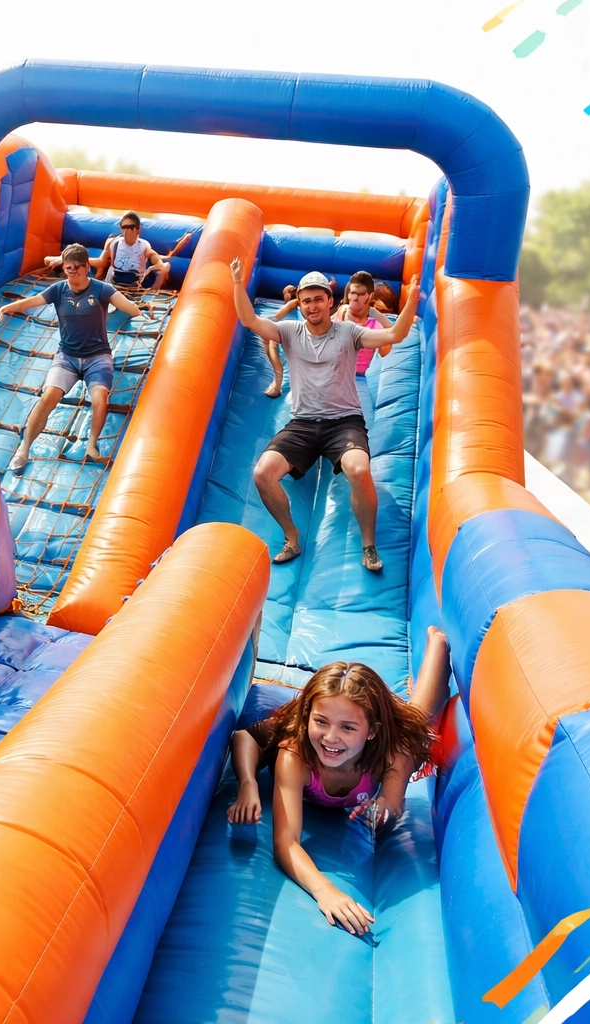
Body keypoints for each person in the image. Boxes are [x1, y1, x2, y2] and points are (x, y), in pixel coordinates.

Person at [225, 626, 448, 935]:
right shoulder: (296, 753)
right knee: (257, 739)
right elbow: (286, 842)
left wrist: (384, 804)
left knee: (419, 723)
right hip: (279, 739)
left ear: (371, 731)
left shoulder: (391, 753)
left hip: (387, 739)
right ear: (309, 717)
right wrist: (325, 890)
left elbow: (393, 805)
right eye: (321, 722)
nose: (331, 738)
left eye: (347, 728)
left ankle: (438, 646)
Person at [231, 259, 419, 571]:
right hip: (303, 423)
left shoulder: (348, 332)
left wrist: (411, 300)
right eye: (307, 301)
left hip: (343, 422)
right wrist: (238, 283)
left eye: (319, 299)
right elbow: (249, 319)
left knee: (359, 471)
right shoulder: (290, 332)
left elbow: (394, 336)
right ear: (300, 305)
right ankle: (292, 536)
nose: (313, 306)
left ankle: (369, 545)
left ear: (331, 301)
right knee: (263, 474)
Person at [0, 243, 146, 471]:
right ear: (64, 268)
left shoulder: (101, 289)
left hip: (97, 357)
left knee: (99, 399)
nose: (73, 272)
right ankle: (24, 448)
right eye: (68, 268)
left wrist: (140, 313)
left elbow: (129, 306)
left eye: (77, 267)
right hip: (67, 357)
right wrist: (6, 308)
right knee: (48, 398)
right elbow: (32, 302)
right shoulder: (58, 290)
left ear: (87, 266)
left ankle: (92, 445)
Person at [45, 212, 189, 290]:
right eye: (124, 229)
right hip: (113, 283)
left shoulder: (143, 246)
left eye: (130, 229)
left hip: (128, 286)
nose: (126, 233)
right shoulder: (113, 243)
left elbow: (158, 257)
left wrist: (175, 251)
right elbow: (102, 261)